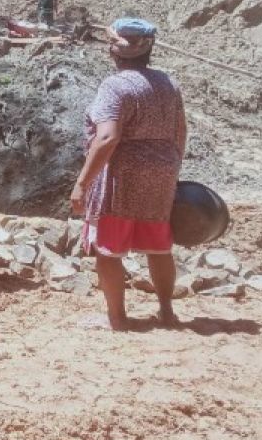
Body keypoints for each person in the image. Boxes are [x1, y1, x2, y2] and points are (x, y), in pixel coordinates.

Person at [70, 18, 187, 331]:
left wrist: (82, 183)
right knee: (158, 244)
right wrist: (171, 168)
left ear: (115, 52)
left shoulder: (115, 86)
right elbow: (180, 133)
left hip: (123, 175)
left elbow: (107, 138)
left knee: (108, 248)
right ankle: (166, 312)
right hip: (162, 172)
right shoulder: (168, 83)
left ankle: (117, 319)